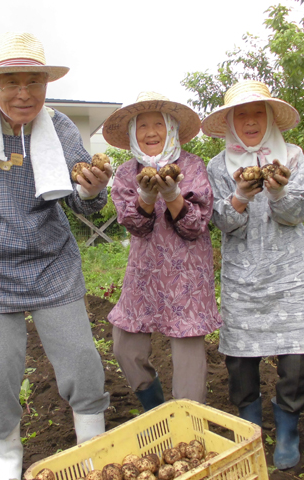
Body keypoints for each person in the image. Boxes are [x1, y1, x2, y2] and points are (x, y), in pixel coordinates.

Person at [0, 32, 112, 480]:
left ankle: (90, 450)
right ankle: (7, 458)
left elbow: (82, 201)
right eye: (11, 82)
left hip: (51, 262)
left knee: (81, 360)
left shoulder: (61, 127)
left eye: (34, 81)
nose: (24, 93)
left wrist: (91, 189)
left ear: (47, 85)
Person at [202, 80, 304, 470]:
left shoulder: (291, 158)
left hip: (291, 273)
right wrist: (241, 195)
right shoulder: (218, 165)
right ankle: (249, 427)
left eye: (256, 113)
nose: (249, 121)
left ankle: (288, 428)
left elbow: (297, 215)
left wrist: (278, 193)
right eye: (240, 115)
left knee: (296, 358)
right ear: (229, 121)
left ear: (268, 119)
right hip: (245, 275)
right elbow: (224, 223)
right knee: (241, 359)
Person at [102, 92, 222, 412]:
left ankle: (186, 422)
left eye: (159, 124)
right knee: (125, 348)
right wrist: (144, 195)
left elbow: (195, 226)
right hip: (145, 273)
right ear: (132, 133)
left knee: (188, 358)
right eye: (142, 126)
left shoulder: (193, 166)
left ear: (171, 129)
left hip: (186, 274)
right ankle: (154, 407)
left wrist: (172, 195)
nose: (151, 132)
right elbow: (134, 225)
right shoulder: (127, 173)